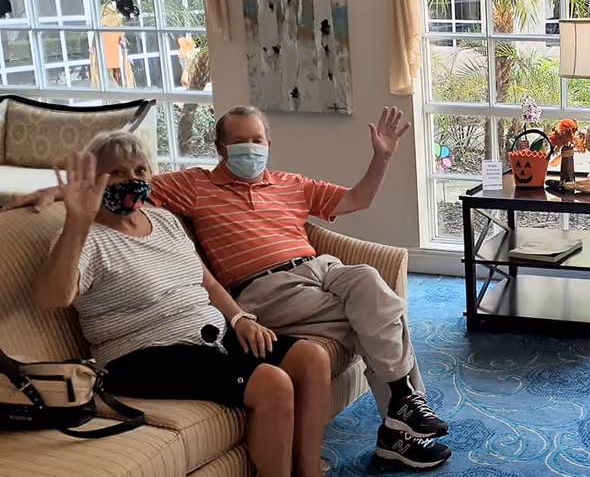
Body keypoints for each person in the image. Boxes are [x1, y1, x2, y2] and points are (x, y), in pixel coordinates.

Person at [18, 105, 451, 469]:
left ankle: (396, 415)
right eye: (240, 142)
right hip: (236, 302)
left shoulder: (281, 186)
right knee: (377, 319)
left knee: (372, 294)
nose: (251, 148)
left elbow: (357, 200)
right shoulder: (188, 188)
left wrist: (384, 156)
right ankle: (402, 419)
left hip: (307, 276)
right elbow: (102, 199)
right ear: (221, 148)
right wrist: (62, 198)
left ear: (269, 143)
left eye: (258, 140)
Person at [36, 133, 332, 477]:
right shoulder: (84, 237)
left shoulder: (163, 221)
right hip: (141, 355)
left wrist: (238, 319)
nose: (132, 180)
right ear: (92, 181)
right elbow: (52, 297)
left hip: (210, 335)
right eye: (116, 173)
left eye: (139, 170)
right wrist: (76, 221)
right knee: (272, 383)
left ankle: (309, 471)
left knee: (311, 358)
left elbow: (205, 281)